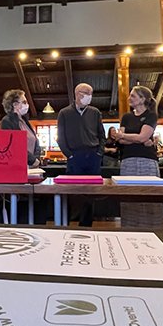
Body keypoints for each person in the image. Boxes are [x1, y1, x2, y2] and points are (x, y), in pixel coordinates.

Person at [112, 85, 163, 228]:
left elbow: (141, 137)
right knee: (128, 195)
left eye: (133, 96)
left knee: (149, 195)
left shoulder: (151, 115)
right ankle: (129, 228)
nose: (129, 98)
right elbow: (121, 141)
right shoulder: (126, 117)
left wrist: (125, 136)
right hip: (127, 160)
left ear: (142, 99)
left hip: (147, 161)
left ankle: (153, 228)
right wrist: (137, 138)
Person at [57, 83, 105, 225]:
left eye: (91, 93)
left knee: (91, 193)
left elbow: (101, 135)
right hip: (74, 156)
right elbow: (60, 137)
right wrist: (69, 154)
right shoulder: (64, 113)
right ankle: (67, 223)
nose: (89, 96)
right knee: (72, 192)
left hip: (93, 155)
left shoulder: (95, 112)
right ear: (77, 94)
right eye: (86, 93)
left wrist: (99, 152)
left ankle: (86, 224)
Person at [0, 89, 42, 167]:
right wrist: (32, 160)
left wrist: (36, 158)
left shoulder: (24, 121)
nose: (27, 105)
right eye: (24, 102)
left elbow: (36, 141)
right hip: (16, 166)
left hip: (32, 165)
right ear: (15, 104)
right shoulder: (7, 121)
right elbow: (13, 146)